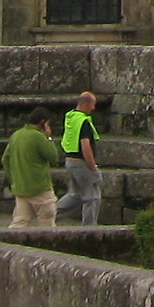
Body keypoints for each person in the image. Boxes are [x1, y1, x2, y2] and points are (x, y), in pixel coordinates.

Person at [3, 113, 63, 229]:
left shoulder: (17, 135)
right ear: (43, 123)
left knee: (20, 221)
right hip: (40, 187)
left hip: (21, 187)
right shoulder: (38, 137)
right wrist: (49, 137)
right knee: (47, 221)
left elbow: (5, 159)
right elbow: (53, 157)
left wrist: (13, 179)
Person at [60, 91, 103, 228]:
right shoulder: (83, 122)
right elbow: (85, 146)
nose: (93, 108)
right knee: (92, 197)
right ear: (86, 104)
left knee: (75, 195)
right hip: (81, 163)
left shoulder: (71, 117)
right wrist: (93, 167)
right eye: (92, 105)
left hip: (70, 161)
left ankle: (49, 215)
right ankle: (89, 229)